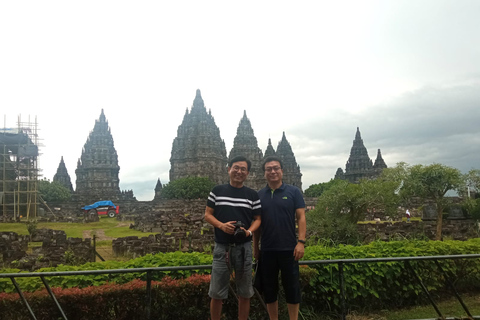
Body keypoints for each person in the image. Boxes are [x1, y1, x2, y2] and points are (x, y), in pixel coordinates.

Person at [205, 155, 262, 320]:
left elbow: (258, 219)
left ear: (248, 173)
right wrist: (222, 226)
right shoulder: (217, 191)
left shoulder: (253, 195)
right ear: (228, 169)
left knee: (245, 291)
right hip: (222, 247)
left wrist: (249, 232)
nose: (239, 171)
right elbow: (208, 215)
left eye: (243, 169)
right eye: (236, 168)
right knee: (216, 292)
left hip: (244, 248)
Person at [253, 156, 306, 320]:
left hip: (289, 249)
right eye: (269, 169)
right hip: (267, 250)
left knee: (292, 288)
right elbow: (257, 223)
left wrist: (301, 242)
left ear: (282, 171)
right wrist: (256, 247)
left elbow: (301, 217)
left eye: (276, 168)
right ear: (264, 173)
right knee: (270, 289)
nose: (272, 171)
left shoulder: (293, 192)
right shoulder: (259, 195)